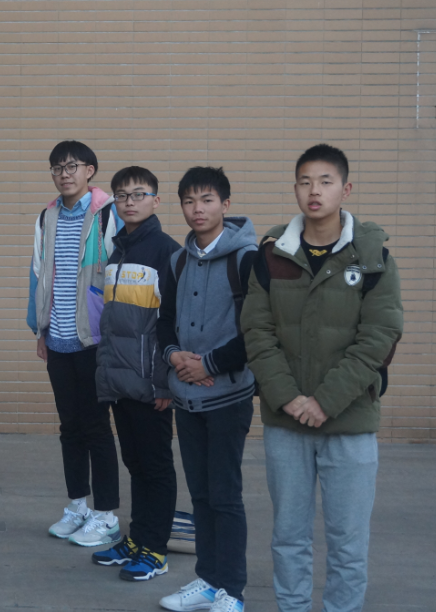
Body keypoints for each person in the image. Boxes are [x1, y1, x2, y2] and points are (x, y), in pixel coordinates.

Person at [242, 144, 403, 612]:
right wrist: (289, 397)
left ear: (345, 189)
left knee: (348, 542)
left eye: (325, 181)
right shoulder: (273, 253)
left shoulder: (373, 255)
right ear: (295, 189)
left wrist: (325, 401)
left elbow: (379, 338)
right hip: (286, 421)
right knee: (288, 537)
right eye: (305, 181)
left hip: (350, 423)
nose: (314, 191)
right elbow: (256, 331)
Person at [157, 167, 257, 612]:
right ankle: (208, 581)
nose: (197, 209)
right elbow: (164, 321)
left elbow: (257, 331)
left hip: (228, 397)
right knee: (199, 494)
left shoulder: (247, 259)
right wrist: (175, 356)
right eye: (189, 201)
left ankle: (231, 591)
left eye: (207, 200)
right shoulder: (178, 260)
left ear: (226, 205)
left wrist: (209, 365)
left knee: (225, 496)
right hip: (186, 396)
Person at [26, 140, 123, 540]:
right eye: (57, 168)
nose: (64, 174)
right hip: (58, 340)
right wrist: (40, 329)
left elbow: (118, 277)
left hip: (94, 340)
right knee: (69, 427)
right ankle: (78, 506)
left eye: (72, 166)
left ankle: (107, 515)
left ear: (90, 171)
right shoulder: (46, 216)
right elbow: (37, 274)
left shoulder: (108, 214)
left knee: (97, 427)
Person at [91, 167, 180, 581]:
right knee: (136, 464)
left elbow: (171, 324)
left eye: (138, 194)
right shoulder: (118, 251)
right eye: (122, 195)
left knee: (156, 466)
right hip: (121, 382)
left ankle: (155, 550)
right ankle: (138, 538)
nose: (129, 201)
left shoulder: (166, 251)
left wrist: (163, 383)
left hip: (150, 384)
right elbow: (113, 323)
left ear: (156, 201)